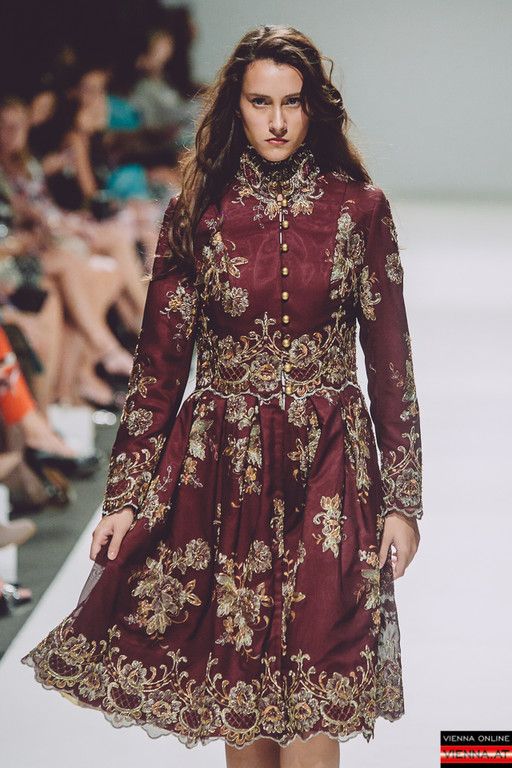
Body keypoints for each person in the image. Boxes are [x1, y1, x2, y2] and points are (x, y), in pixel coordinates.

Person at [20, 25, 423, 767]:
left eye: (292, 102)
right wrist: (125, 497)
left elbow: (391, 361)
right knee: (240, 691)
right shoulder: (199, 212)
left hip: (331, 465)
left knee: (321, 679)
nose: (277, 121)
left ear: (315, 108)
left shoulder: (359, 210)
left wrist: (402, 502)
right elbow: (158, 366)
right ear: (235, 107)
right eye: (260, 102)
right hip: (225, 469)